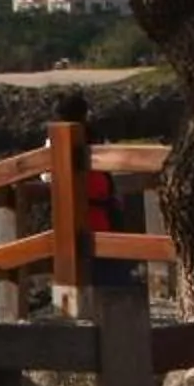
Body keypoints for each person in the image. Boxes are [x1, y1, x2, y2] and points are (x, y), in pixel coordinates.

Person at [48, 91, 140, 295]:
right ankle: (117, 295)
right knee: (109, 262)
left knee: (83, 259)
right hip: (105, 208)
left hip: (77, 212)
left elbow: (47, 176)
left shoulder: (55, 140)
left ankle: (87, 301)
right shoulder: (97, 137)